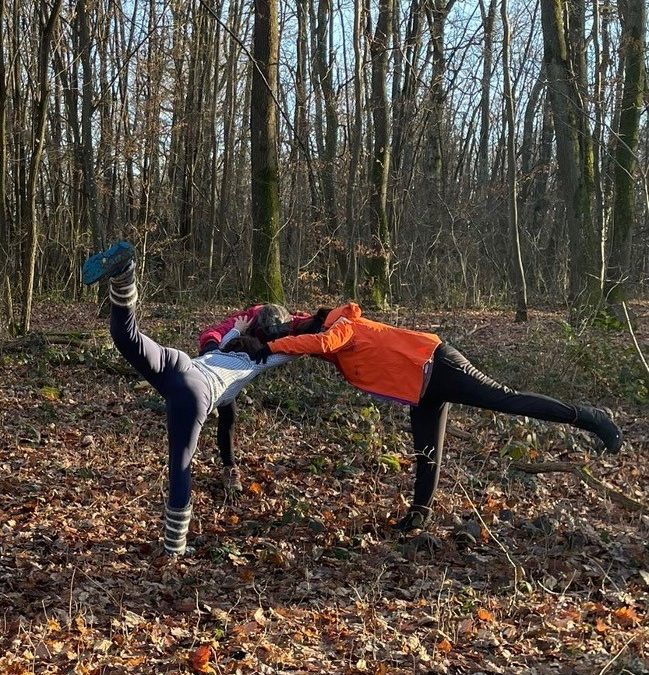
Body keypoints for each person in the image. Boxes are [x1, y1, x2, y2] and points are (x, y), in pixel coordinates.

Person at [253, 302, 624, 532]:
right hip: (421, 389)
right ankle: (420, 514)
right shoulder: (324, 333)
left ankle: (591, 418)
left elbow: (318, 341)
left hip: (439, 365)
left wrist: (269, 345)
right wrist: (264, 338)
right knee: (426, 451)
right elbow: (301, 334)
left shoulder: (344, 326)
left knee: (508, 400)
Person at [82, 241, 296, 555]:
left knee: (128, 338)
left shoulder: (230, 342)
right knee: (179, 467)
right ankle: (174, 549)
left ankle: (125, 276)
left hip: (179, 363)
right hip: (196, 392)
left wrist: (236, 330)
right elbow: (301, 346)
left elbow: (216, 346)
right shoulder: (264, 356)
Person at [198, 303, 311, 497]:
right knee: (226, 413)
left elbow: (308, 327)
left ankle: (229, 467)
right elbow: (213, 335)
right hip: (219, 362)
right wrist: (219, 344)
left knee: (229, 414)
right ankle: (229, 467)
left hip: (246, 361)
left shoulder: (288, 321)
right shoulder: (244, 320)